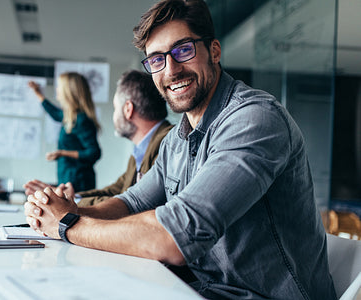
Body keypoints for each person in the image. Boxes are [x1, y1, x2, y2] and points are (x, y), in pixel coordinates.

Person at [24, 0, 336, 299]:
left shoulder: (254, 120)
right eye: (157, 59)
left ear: (214, 50)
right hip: (203, 288)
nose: (171, 70)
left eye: (183, 50)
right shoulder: (177, 139)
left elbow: (175, 236)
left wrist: (68, 225)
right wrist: (74, 211)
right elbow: (132, 202)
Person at [24, 70, 173, 207]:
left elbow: (134, 202)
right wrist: (71, 196)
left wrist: (72, 200)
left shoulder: (165, 144)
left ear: (128, 110)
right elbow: (117, 190)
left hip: (79, 178)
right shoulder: (140, 150)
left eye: (115, 108)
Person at [28, 72, 101, 192]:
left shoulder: (81, 120)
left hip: (79, 183)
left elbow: (94, 152)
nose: (56, 89)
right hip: (67, 179)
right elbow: (55, 114)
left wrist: (62, 153)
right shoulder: (70, 117)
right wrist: (38, 94)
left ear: (69, 92)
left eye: (59, 87)